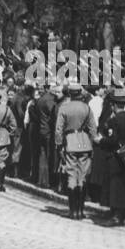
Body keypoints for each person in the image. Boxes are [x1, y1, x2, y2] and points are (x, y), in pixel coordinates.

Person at [95, 88, 125, 225]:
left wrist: (100, 141)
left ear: (114, 105)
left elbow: (112, 140)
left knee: (115, 187)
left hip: (115, 159)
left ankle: (115, 216)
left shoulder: (113, 121)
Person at [53, 81, 97, 219]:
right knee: (82, 177)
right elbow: (93, 129)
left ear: (70, 94)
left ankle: (73, 211)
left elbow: (59, 129)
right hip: (84, 143)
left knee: (72, 175)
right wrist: (90, 142)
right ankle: (81, 211)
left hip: (70, 142)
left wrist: (59, 144)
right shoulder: (87, 108)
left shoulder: (64, 108)